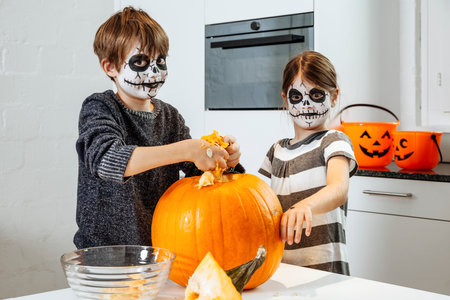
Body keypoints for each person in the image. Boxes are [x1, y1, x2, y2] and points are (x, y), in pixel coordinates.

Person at [74, 6, 242, 249]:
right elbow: (107, 160)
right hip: (102, 256)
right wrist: (189, 149)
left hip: (158, 252)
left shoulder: (170, 117)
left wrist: (225, 160)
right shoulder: (100, 107)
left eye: (160, 61)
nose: (154, 72)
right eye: (140, 61)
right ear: (110, 67)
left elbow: (199, 176)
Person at [258, 51, 358, 275]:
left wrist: (305, 206)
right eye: (297, 97)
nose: (306, 105)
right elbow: (257, 203)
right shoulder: (276, 151)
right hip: (283, 268)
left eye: (316, 95)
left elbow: (338, 189)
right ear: (285, 99)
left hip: (325, 271)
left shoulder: (333, 142)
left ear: (333, 97)